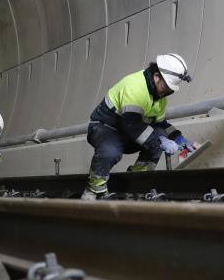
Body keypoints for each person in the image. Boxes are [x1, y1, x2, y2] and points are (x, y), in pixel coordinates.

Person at [81, 53, 195, 200]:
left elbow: (160, 124)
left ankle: (136, 183)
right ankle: (94, 190)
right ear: (156, 76)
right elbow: (132, 125)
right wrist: (161, 142)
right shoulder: (135, 87)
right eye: (166, 86)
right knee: (111, 150)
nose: (168, 91)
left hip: (127, 131)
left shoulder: (159, 97)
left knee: (160, 133)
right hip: (104, 128)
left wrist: (179, 139)